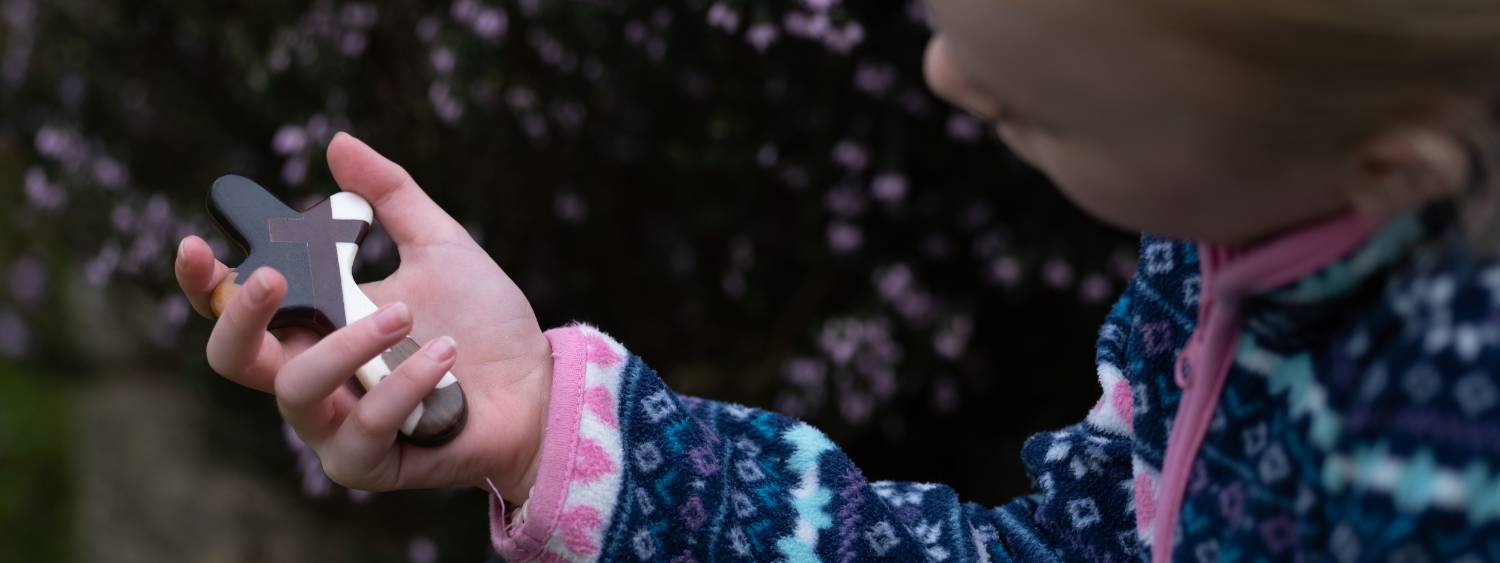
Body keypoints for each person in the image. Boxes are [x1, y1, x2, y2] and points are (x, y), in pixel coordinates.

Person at [175, 0, 1500, 560]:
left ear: (1392, 167)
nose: (948, 80)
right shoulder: (1244, 251)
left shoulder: (1438, 473)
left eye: (1047, 112)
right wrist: (551, 434)